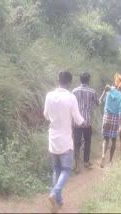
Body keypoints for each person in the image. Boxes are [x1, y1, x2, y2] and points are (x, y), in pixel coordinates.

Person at [44, 70, 86, 212]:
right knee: (66, 170)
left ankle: (58, 201)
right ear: (69, 83)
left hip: (53, 138)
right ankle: (55, 193)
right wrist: (83, 122)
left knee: (56, 169)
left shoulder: (49, 95)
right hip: (65, 140)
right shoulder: (70, 97)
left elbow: (46, 115)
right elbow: (78, 118)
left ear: (58, 80)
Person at [72, 72, 99, 173]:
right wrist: (104, 92)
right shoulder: (92, 92)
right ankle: (86, 162)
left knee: (76, 143)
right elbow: (98, 103)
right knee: (87, 141)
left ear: (80, 80)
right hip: (87, 121)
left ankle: (77, 165)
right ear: (88, 80)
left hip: (76, 121)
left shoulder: (74, 91)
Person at [99, 73, 121, 168]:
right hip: (115, 119)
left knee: (105, 139)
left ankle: (103, 155)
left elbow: (101, 101)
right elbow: (120, 112)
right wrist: (120, 125)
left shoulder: (108, 92)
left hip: (106, 117)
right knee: (113, 140)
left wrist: (104, 91)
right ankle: (110, 160)